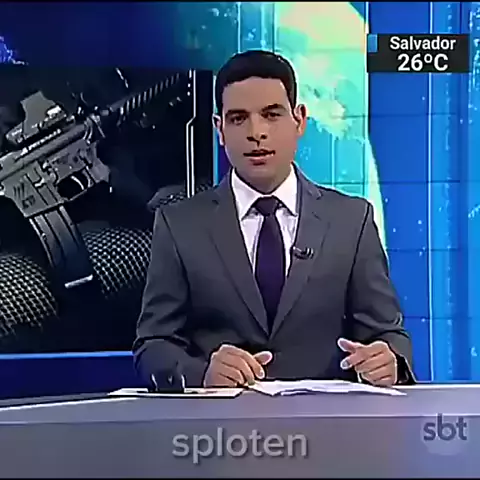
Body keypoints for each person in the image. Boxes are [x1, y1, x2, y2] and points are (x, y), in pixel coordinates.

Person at [133, 50, 414, 388]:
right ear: (220, 129)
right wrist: (201, 373)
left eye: (271, 115)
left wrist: (390, 361)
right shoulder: (179, 225)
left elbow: (388, 335)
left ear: (299, 120)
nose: (256, 132)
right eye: (239, 118)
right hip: (219, 421)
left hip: (328, 420)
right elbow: (153, 346)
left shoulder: (351, 220)